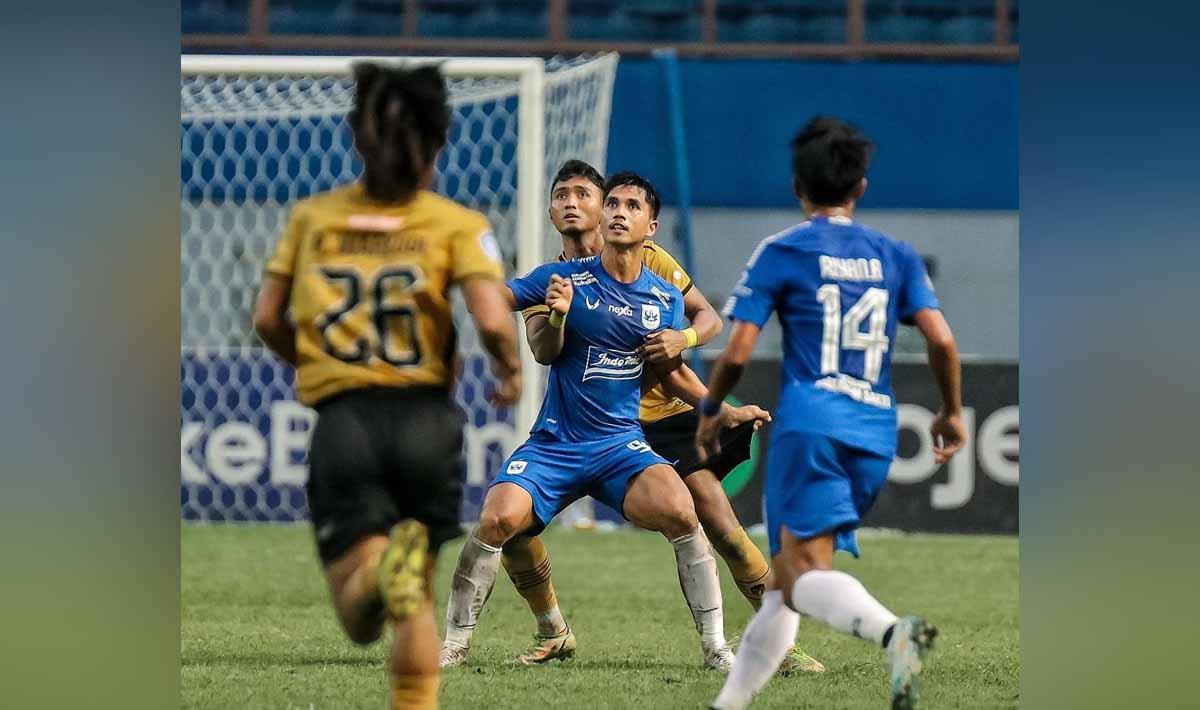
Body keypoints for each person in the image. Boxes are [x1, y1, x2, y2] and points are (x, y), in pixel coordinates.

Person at [439, 159, 823, 673]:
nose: (575, 204)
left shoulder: (655, 270)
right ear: (555, 210)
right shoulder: (556, 277)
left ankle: (767, 643)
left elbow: (699, 332)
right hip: (573, 429)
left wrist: (707, 385)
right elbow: (541, 348)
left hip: (653, 418)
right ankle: (547, 630)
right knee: (509, 525)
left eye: (589, 195)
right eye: (562, 195)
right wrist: (543, 310)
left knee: (709, 516)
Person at [252, 62, 522, 710]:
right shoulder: (456, 222)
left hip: (346, 422)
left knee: (361, 615)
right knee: (415, 602)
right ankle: (398, 581)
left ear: (356, 134)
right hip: (428, 422)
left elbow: (266, 316)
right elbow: (490, 319)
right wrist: (509, 369)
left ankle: (381, 571)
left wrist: (311, 362)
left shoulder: (313, 218)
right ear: (440, 140)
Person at [699, 116, 966, 710]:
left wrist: (712, 407)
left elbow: (738, 347)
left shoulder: (784, 250)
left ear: (797, 186)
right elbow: (942, 341)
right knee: (783, 584)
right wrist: (951, 412)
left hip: (812, 423)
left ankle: (897, 636)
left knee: (799, 574)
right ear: (861, 187)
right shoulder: (894, 254)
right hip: (875, 428)